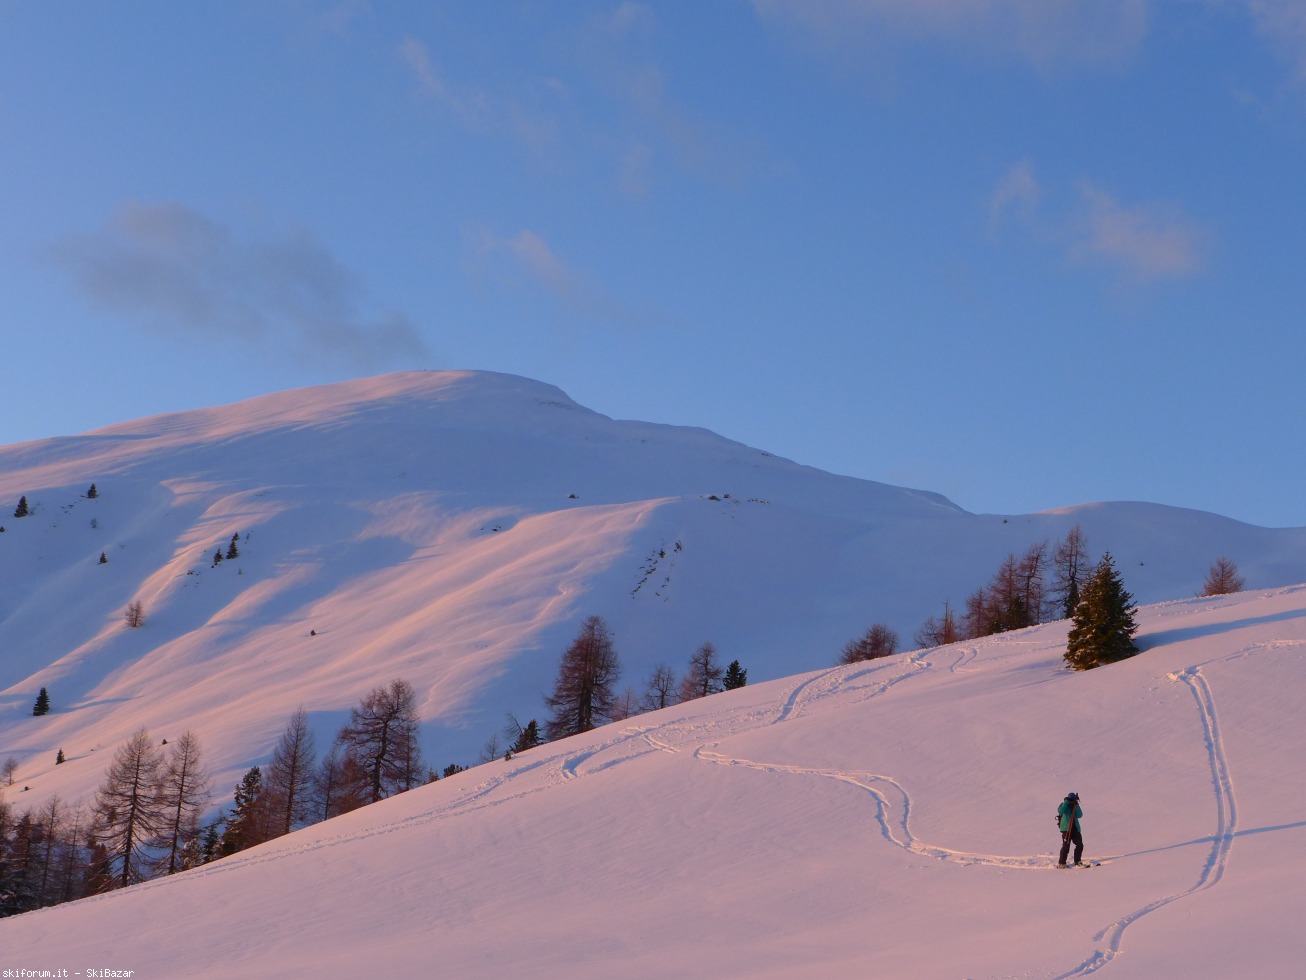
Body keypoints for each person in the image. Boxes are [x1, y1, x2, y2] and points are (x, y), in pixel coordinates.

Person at [1057, 791, 1085, 868]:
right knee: (1066, 846)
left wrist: (1076, 805)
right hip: (1066, 829)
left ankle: (1077, 861)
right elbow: (1060, 811)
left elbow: (1080, 815)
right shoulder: (1063, 805)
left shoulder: (1075, 806)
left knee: (1080, 845)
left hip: (1075, 829)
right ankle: (1061, 863)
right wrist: (1066, 801)